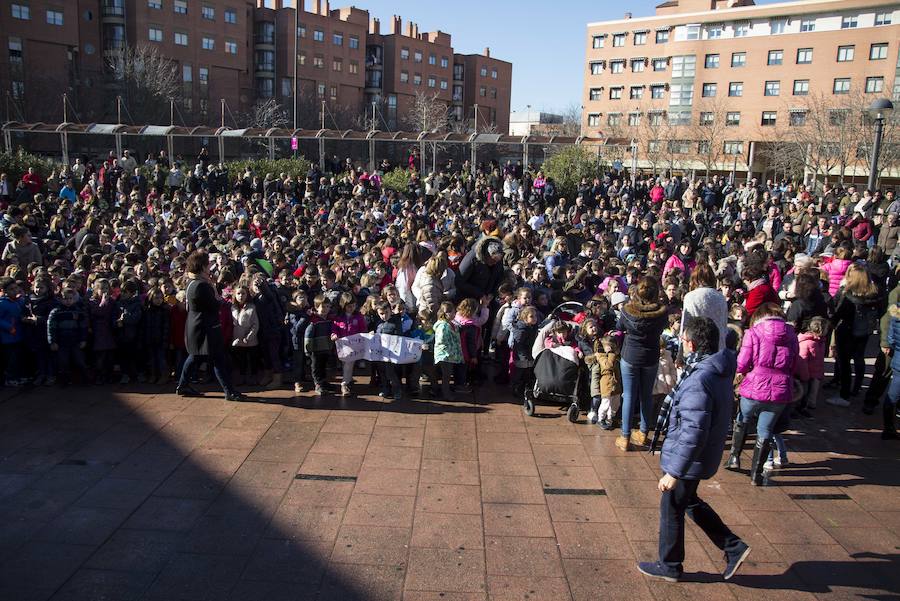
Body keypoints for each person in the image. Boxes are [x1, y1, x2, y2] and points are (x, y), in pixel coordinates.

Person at [637, 316, 750, 583]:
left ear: (691, 343)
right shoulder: (717, 366)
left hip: (690, 458)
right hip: (701, 455)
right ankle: (733, 547)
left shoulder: (699, 378)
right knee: (688, 502)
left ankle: (670, 565)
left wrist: (674, 472)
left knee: (673, 507)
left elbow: (693, 432)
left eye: (685, 341)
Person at [727, 303, 798, 486]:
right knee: (765, 431)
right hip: (780, 390)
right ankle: (756, 474)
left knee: (742, 419)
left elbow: (742, 362)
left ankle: (734, 457)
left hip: (754, 386)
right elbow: (794, 363)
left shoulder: (754, 332)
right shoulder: (791, 335)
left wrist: (740, 373)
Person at [176, 251, 247, 402]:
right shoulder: (202, 285)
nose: (210, 266)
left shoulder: (191, 283)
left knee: (195, 356)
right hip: (207, 327)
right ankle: (229, 391)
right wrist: (216, 293)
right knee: (218, 359)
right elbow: (215, 305)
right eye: (208, 264)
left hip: (195, 325)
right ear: (202, 267)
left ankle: (182, 385)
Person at [616, 276, 668, 451]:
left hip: (630, 354)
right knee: (646, 394)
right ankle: (644, 433)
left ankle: (625, 437)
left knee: (629, 395)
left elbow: (619, 327)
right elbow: (662, 329)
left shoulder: (627, 310)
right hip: (651, 356)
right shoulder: (661, 312)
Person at [827, 264, 881, 407]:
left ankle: (844, 394)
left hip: (847, 331)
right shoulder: (873, 294)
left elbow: (837, 312)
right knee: (859, 358)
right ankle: (856, 388)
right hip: (864, 331)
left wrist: (830, 324)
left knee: (844, 363)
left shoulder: (847, 294)